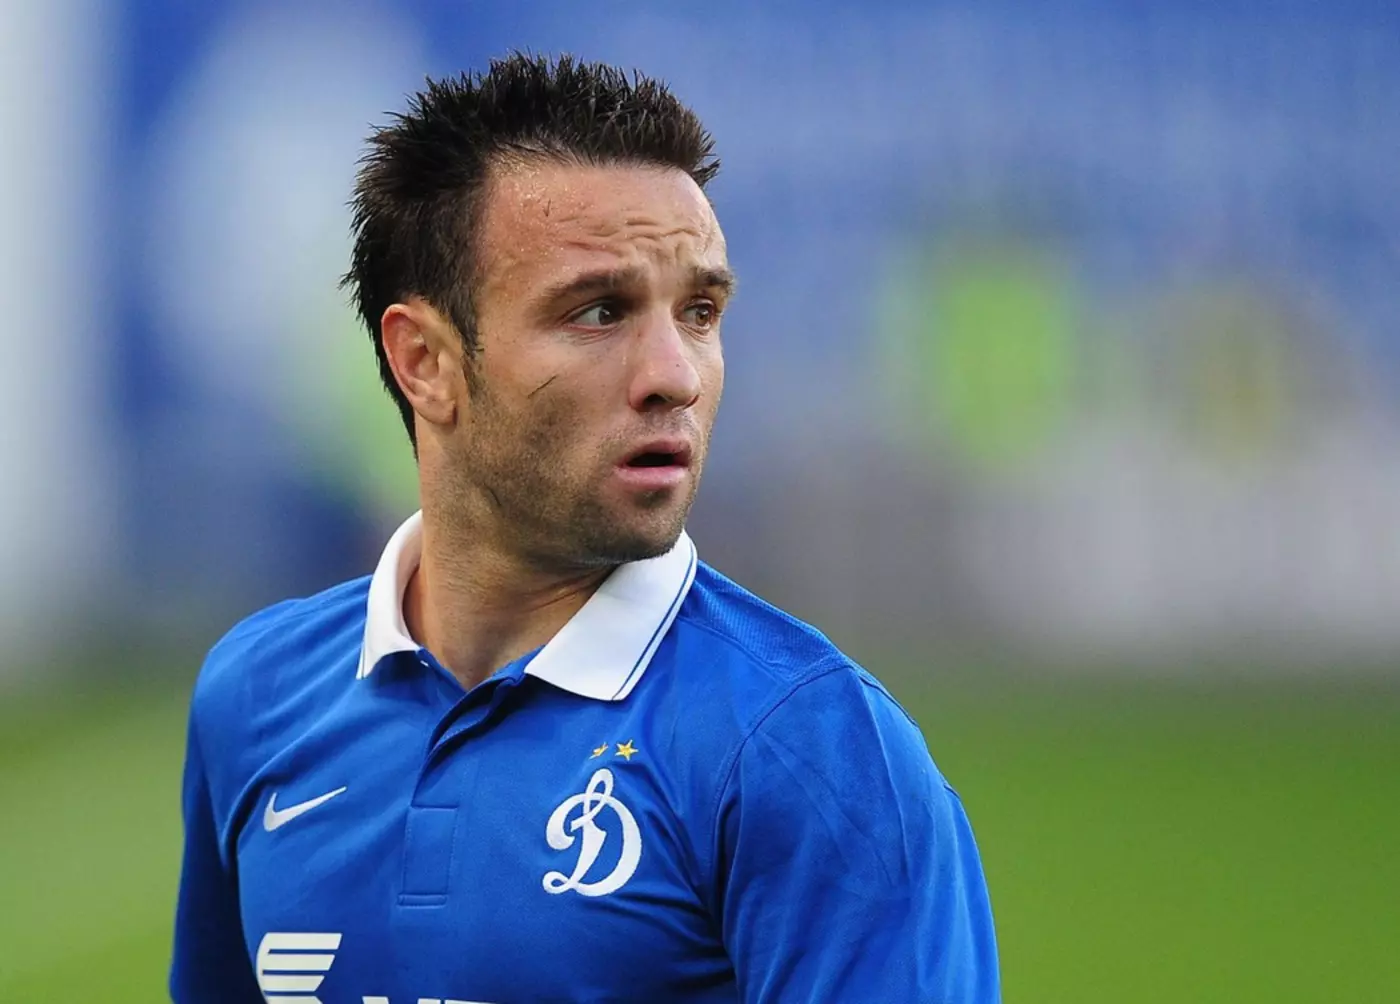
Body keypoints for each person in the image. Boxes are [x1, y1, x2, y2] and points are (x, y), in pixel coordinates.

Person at [170, 53, 999, 1004]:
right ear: (425, 361)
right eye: (600, 312)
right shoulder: (256, 695)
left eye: (700, 312)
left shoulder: (811, 753)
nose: (674, 375)